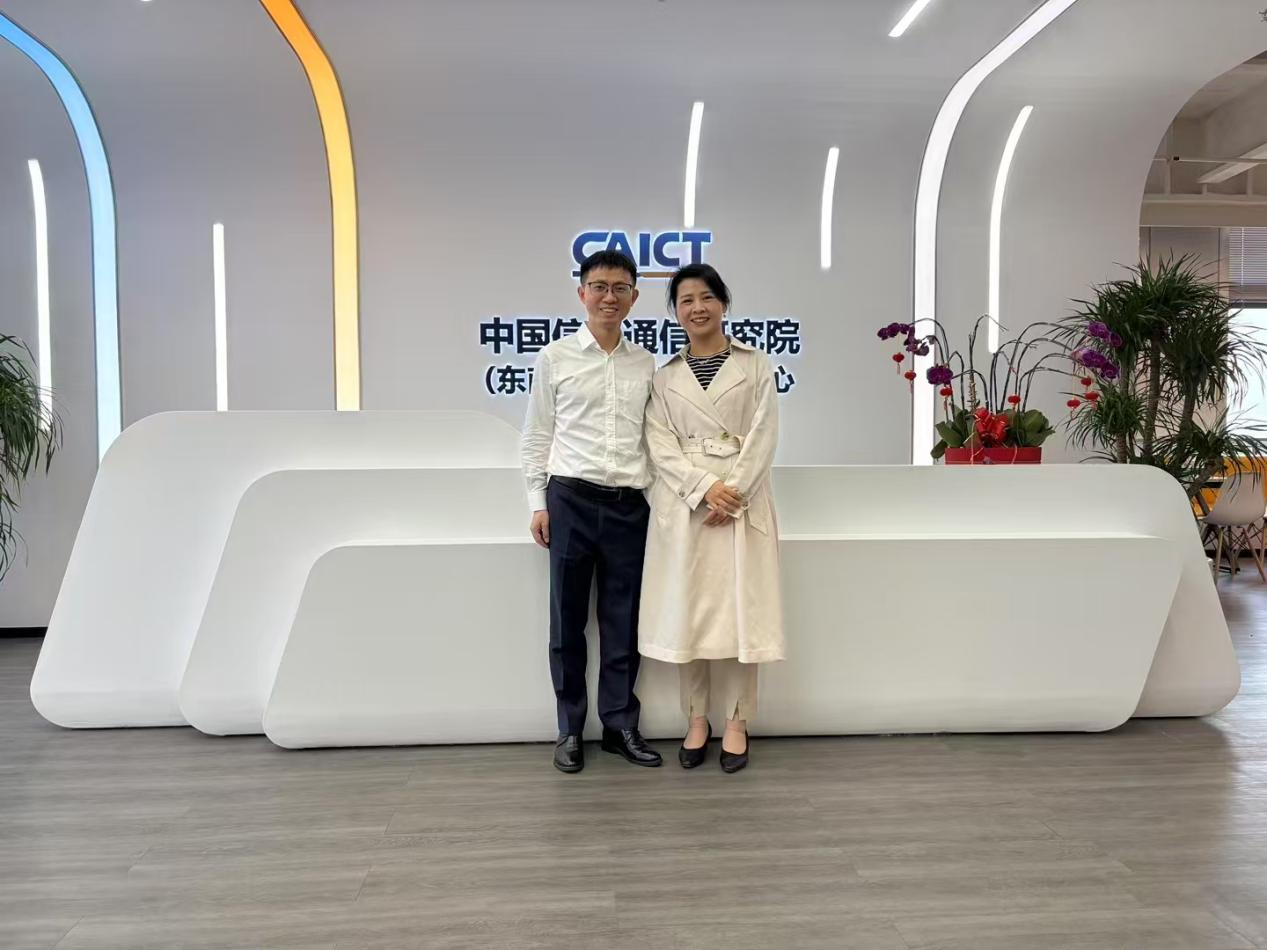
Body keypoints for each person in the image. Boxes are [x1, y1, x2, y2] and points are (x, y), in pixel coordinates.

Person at [638, 263, 785, 773]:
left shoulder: (756, 365)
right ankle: (696, 718)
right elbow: (659, 444)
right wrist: (704, 490)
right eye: (685, 300)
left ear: (723, 303)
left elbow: (765, 434)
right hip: (688, 505)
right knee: (691, 613)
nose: (696, 308)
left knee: (743, 613)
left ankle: (738, 721)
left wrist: (733, 493)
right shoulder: (664, 377)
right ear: (675, 312)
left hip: (741, 502)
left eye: (706, 297)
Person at [521, 249, 663, 773]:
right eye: (599, 286)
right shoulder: (555, 357)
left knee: (624, 623)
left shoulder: (645, 363)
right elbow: (536, 436)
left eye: (620, 287)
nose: (609, 296)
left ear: (634, 296)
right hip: (570, 501)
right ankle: (569, 730)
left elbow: (654, 441)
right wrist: (538, 503)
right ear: (582, 293)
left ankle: (620, 726)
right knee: (567, 624)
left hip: (629, 506)